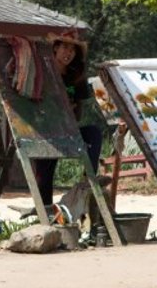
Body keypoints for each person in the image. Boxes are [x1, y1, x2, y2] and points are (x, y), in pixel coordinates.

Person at [32, 30, 105, 213]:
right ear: (55, 48)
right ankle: (45, 214)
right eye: (65, 47)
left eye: (72, 50)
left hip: (67, 130)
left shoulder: (76, 78)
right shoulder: (42, 73)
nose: (69, 53)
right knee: (45, 173)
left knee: (94, 133)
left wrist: (68, 110)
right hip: (45, 131)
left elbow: (78, 114)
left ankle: (87, 180)